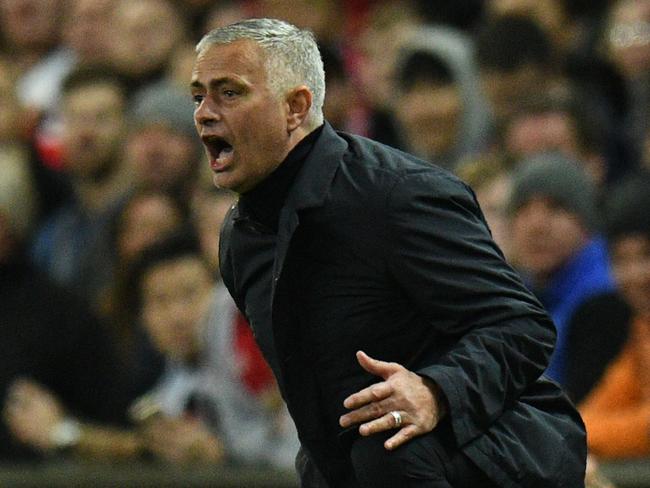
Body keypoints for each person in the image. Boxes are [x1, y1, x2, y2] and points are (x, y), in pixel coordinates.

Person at [191, 18, 586, 487]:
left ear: (295, 106)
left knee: (386, 444)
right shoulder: (241, 239)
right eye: (198, 96)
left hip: (500, 457)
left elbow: (522, 327)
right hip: (364, 468)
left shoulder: (398, 195)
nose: (203, 114)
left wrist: (435, 390)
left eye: (229, 93)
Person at [508, 152, 619, 387]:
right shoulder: (524, 291)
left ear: (586, 221)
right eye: (523, 210)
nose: (536, 226)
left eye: (556, 208)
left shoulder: (606, 298)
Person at [579, 173, 650, 459]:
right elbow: (610, 398)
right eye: (621, 260)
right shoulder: (642, 327)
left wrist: (568, 436)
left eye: (646, 255)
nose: (635, 275)